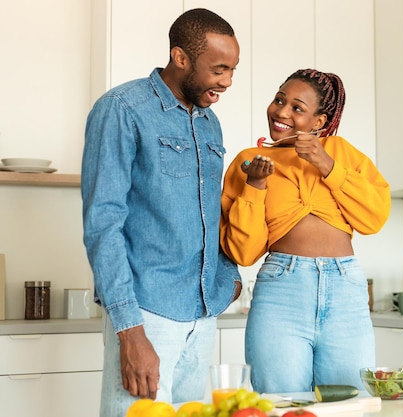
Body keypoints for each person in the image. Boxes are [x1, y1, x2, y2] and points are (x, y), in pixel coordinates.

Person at [81, 8, 242, 416]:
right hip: (148, 314)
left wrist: (229, 276)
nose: (226, 82)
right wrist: (129, 330)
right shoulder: (121, 108)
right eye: (219, 69)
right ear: (181, 58)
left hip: (202, 313)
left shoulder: (210, 123)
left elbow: (212, 210)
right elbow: (103, 223)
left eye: (233, 70)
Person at [220, 69, 391, 393]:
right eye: (279, 100)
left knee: (350, 405)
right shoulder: (250, 161)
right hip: (281, 291)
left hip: (346, 291)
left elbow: (375, 217)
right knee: (281, 402)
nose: (281, 111)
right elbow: (242, 252)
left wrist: (325, 163)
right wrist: (255, 185)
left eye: (297, 108)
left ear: (318, 121)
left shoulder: (340, 152)